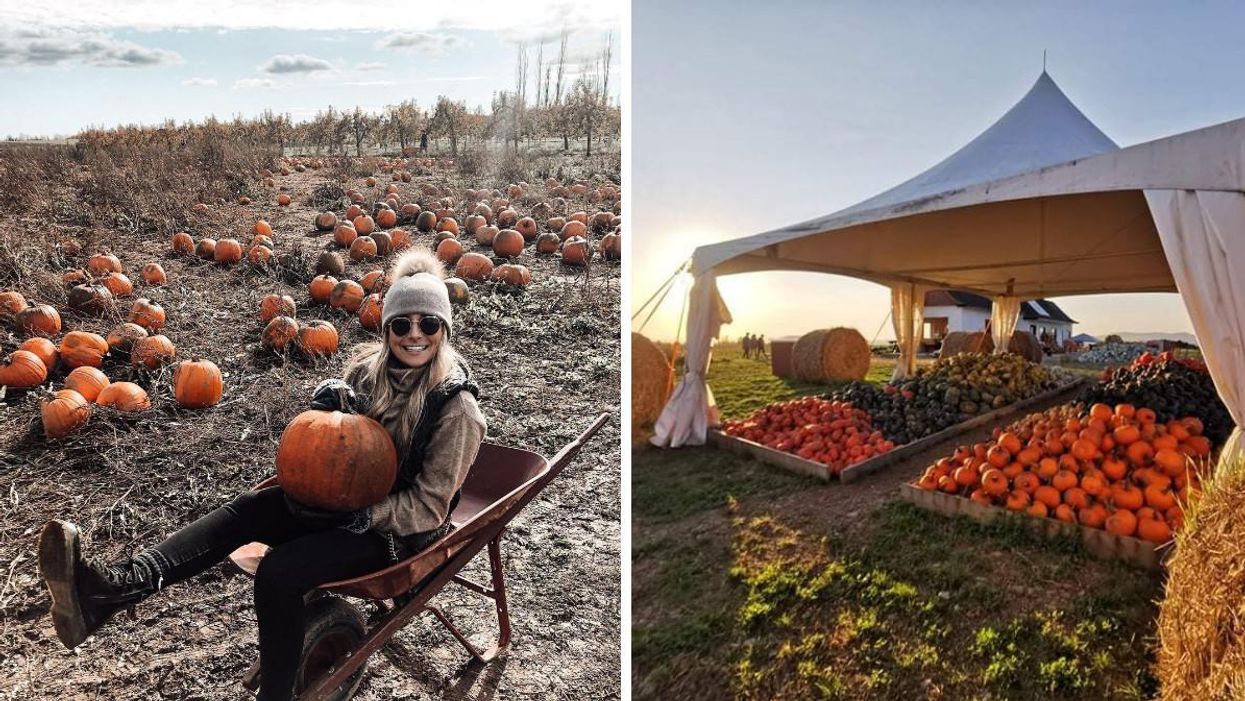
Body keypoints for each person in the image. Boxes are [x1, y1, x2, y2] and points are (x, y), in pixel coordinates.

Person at [36, 248, 487, 701]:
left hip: (394, 536)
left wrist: (366, 516)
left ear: (444, 330)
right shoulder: (368, 375)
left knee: (279, 573)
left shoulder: (456, 409)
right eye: (401, 324)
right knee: (249, 509)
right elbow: (337, 446)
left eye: (429, 324)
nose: (414, 335)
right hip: (340, 504)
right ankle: (112, 590)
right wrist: (328, 409)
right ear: (387, 328)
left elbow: (430, 507)